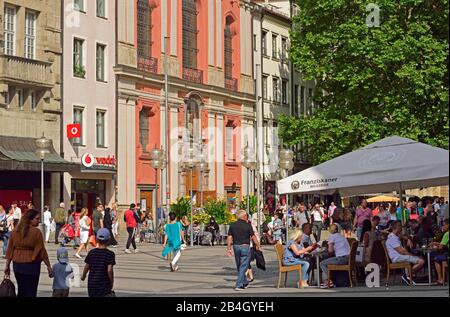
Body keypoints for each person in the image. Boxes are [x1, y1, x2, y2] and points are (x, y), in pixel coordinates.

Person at [3, 209, 54, 297]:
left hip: (17, 265)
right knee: (31, 290)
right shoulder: (36, 232)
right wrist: (48, 266)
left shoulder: (15, 231)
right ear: (30, 219)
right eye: (37, 219)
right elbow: (42, 251)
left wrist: (7, 265)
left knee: (21, 289)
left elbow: (10, 249)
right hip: (32, 265)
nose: (39, 221)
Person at [227, 209, 261, 291]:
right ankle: (239, 285)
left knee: (239, 265)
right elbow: (253, 237)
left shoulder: (233, 225)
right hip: (245, 247)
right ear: (243, 216)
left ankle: (245, 282)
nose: (247, 217)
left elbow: (229, 237)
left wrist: (229, 248)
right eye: (246, 215)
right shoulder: (247, 225)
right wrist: (258, 245)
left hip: (236, 246)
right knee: (243, 266)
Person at [386, 221, 425, 285]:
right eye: (400, 226)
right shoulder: (392, 238)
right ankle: (407, 276)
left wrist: (408, 239)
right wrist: (412, 256)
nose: (401, 227)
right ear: (397, 227)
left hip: (400, 256)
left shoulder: (395, 235)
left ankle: (409, 276)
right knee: (421, 261)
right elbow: (402, 251)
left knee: (421, 258)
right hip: (397, 257)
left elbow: (403, 236)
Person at [81, 228, 116, 297]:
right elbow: (109, 270)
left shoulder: (92, 252)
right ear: (109, 240)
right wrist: (111, 282)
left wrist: (83, 276)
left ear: (96, 240)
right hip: (104, 284)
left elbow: (87, 266)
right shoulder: (110, 254)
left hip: (92, 284)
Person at [320, 224, 351, 288]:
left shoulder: (332, 236)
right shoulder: (342, 236)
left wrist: (326, 248)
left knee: (322, 263)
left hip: (341, 259)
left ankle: (329, 280)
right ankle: (331, 280)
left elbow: (330, 251)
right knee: (330, 261)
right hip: (348, 258)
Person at [429, 219, 449, 285]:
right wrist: (436, 243)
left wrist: (434, 244)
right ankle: (444, 278)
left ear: (448, 225)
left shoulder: (447, 234)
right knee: (442, 257)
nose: (443, 227)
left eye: (444, 225)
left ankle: (440, 279)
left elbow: (441, 247)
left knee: (436, 258)